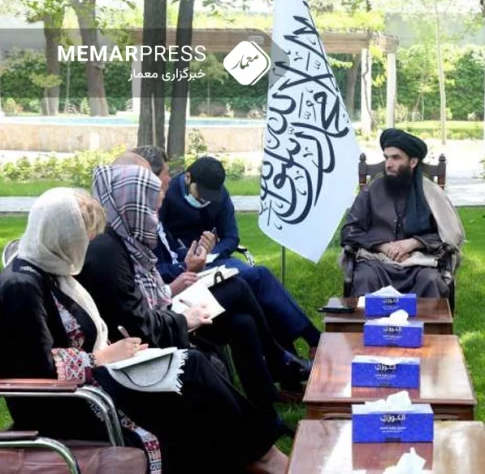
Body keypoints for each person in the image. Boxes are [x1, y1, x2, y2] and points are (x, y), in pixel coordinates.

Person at [0, 188, 288, 473]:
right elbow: (37, 369)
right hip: (67, 405)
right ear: (62, 236)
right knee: (191, 369)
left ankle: (256, 455)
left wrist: (122, 352)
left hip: (91, 383)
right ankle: (262, 456)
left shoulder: (51, 270)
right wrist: (103, 357)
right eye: (83, 238)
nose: (86, 247)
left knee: (192, 370)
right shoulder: (21, 287)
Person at [76, 163, 309, 408]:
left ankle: (266, 405)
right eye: (153, 208)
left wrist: (199, 256)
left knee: (244, 322)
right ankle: (281, 360)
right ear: (134, 201)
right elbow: (139, 317)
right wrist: (181, 297)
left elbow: (222, 238)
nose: (155, 218)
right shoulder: (111, 250)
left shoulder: (131, 237)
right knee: (241, 287)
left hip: (171, 297)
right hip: (160, 321)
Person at [154, 152, 321, 356]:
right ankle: (305, 345)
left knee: (259, 279)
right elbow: (162, 241)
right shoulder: (167, 195)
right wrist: (190, 257)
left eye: (210, 195)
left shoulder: (219, 194)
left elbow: (231, 236)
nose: (205, 199)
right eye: (201, 193)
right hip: (184, 267)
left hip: (217, 260)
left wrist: (212, 253)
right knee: (256, 281)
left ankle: (297, 354)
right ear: (188, 178)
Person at [340, 128, 465, 297]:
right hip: (376, 262)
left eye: (395, 158)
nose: (388, 164)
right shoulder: (372, 190)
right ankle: (370, 317)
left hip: (419, 263)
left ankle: (426, 317)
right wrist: (383, 246)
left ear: (413, 162)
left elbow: (449, 236)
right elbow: (349, 231)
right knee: (365, 278)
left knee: (431, 280)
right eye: (386, 157)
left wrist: (414, 242)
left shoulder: (430, 193)